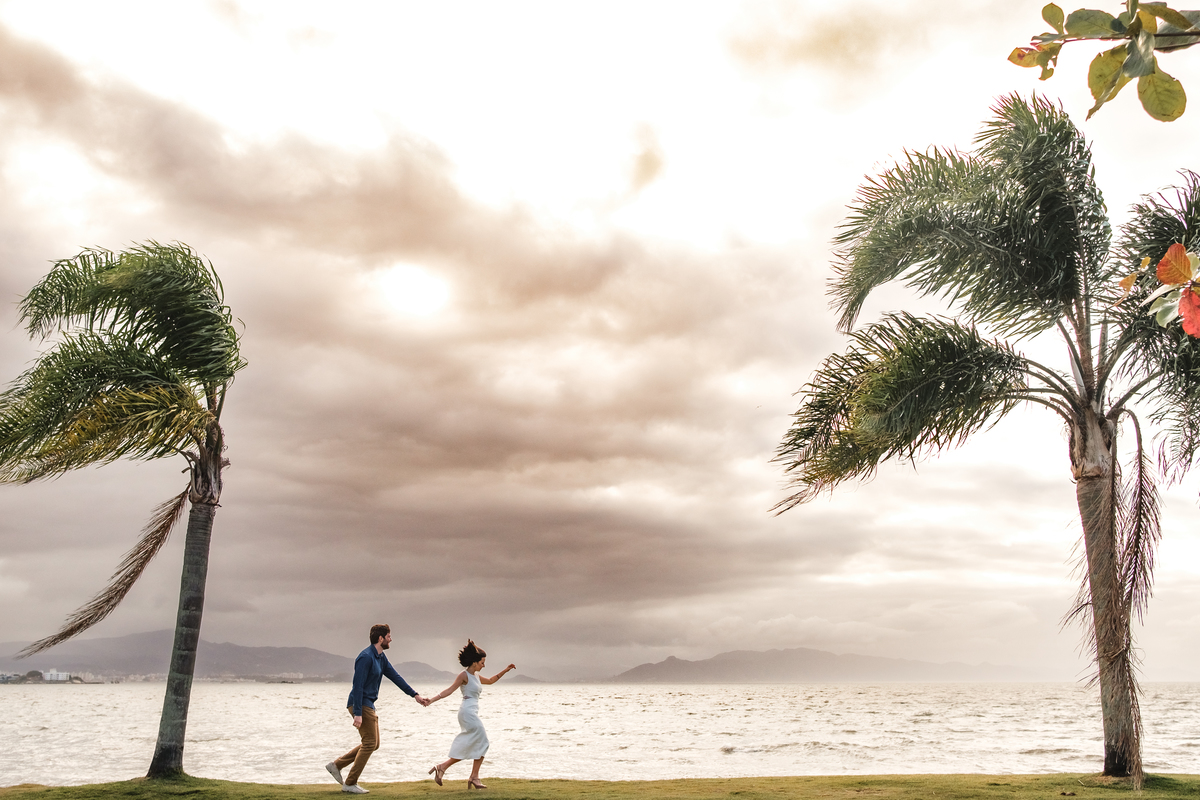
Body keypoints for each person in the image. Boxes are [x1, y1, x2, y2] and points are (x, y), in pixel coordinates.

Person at [325, 623, 429, 794]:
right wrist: (357, 713)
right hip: (360, 704)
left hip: (368, 704)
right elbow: (357, 686)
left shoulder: (380, 657)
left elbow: (395, 676)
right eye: (389, 636)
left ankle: (336, 765)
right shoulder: (365, 657)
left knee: (374, 744)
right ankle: (350, 783)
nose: (391, 639)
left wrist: (415, 695)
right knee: (369, 743)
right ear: (381, 638)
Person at [426, 640, 515, 789]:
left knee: (477, 743)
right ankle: (468, 775)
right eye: (482, 662)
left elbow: (492, 681)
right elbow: (449, 690)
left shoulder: (477, 677)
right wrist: (432, 700)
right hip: (467, 713)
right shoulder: (464, 675)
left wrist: (506, 670)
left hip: (472, 712)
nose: (483, 665)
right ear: (474, 662)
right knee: (483, 742)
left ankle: (452, 770)